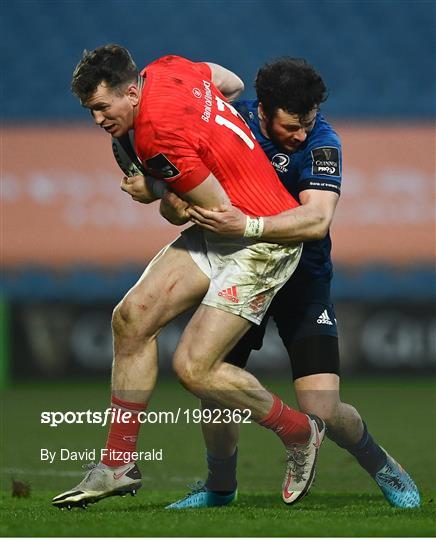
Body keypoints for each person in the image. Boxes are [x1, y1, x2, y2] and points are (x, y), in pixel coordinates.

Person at [52, 46, 325, 510]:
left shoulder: (156, 137)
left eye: (102, 107)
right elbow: (231, 82)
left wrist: (152, 189)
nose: (97, 119)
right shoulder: (170, 68)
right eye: (90, 110)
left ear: (131, 91)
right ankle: (117, 463)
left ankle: (301, 433)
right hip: (226, 226)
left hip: (259, 241)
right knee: (131, 319)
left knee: (194, 369)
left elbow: (209, 209)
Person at [140, 58, 419, 510]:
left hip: (302, 282)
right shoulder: (230, 123)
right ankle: (220, 486)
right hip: (241, 271)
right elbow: (180, 203)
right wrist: (163, 195)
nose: (303, 134)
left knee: (323, 408)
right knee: (211, 385)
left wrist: (245, 224)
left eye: (308, 122)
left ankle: (382, 464)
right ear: (264, 110)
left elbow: (317, 219)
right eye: (292, 126)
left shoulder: (323, 143)